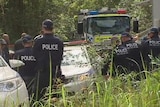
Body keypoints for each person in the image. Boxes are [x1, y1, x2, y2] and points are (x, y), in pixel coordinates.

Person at [33, 19, 64, 100]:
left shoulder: (38, 41)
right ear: (52, 28)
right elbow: (60, 56)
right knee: (55, 96)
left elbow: (34, 55)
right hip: (55, 72)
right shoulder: (59, 41)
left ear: (43, 28)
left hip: (42, 72)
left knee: (39, 96)